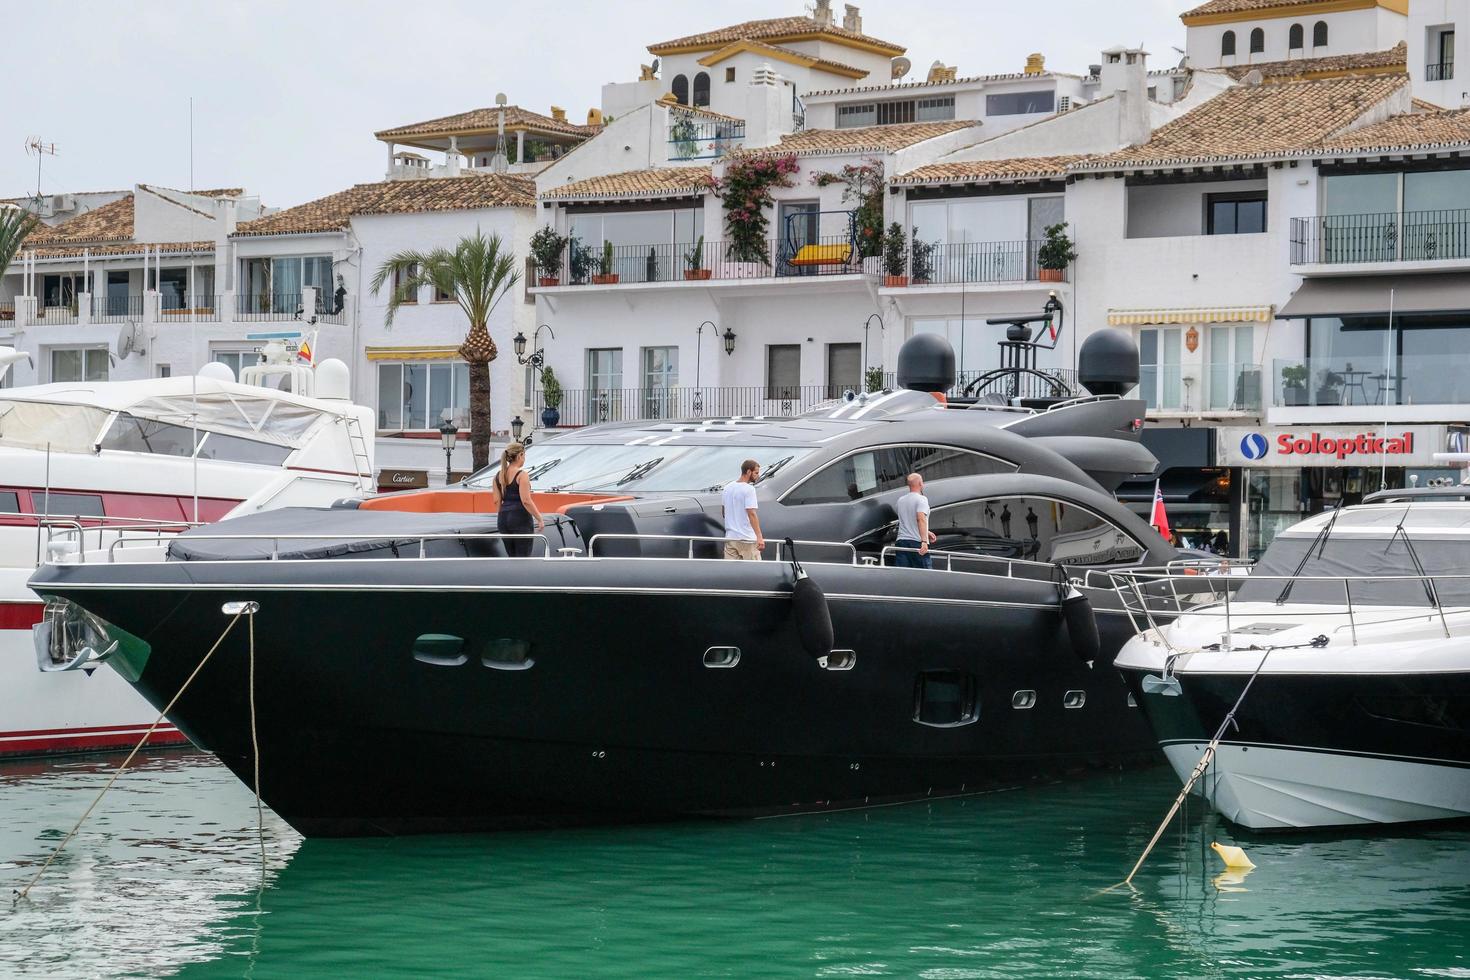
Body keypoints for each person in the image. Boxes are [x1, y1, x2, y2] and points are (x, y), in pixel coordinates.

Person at [488, 442, 544, 557]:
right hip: (520, 519)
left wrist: (503, 514)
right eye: (524, 456)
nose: (524, 459)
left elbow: (497, 501)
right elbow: (526, 500)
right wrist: (539, 518)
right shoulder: (522, 475)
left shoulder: (497, 476)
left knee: (511, 557)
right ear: (520, 455)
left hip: (503, 519)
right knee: (523, 557)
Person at [721, 459, 764, 560]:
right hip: (747, 538)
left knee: (733, 573)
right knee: (754, 572)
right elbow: (751, 514)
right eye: (756, 473)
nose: (758, 476)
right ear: (749, 472)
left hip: (731, 538)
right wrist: (759, 537)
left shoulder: (727, 488)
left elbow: (724, 512)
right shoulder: (749, 489)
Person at [894, 473, 936, 569]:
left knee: (903, 576)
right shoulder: (922, 499)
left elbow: (908, 520)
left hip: (901, 542)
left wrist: (926, 531)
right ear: (920, 483)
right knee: (924, 577)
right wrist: (924, 541)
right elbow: (920, 519)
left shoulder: (900, 500)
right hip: (916, 543)